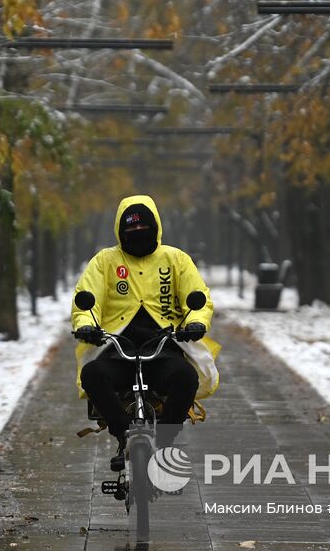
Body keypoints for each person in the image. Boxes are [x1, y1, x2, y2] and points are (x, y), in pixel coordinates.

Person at [71, 194, 220, 471]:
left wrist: (195, 322)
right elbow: (86, 298)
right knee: (92, 375)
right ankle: (123, 433)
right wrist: (86, 326)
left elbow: (197, 297)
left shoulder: (176, 259)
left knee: (186, 377)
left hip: (164, 347)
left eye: (144, 229)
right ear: (119, 231)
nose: (137, 234)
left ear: (156, 228)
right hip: (116, 349)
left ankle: (165, 439)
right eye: (131, 230)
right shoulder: (105, 261)